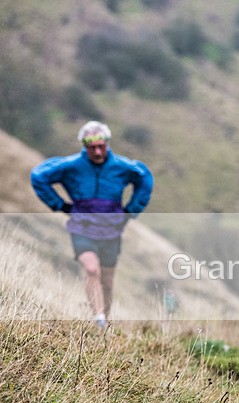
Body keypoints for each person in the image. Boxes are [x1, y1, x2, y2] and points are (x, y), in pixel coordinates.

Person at [31, 121, 154, 329]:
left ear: (107, 143)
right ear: (84, 146)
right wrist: (60, 205)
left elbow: (145, 178)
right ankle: (98, 319)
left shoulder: (122, 167)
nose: (97, 151)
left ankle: (104, 321)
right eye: (92, 147)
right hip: (82, 228)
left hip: (111, 231)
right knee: (91, 269)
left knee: (107, 281)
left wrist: (131, 210)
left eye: (101, 146)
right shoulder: (71, 166)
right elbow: (38, 176)